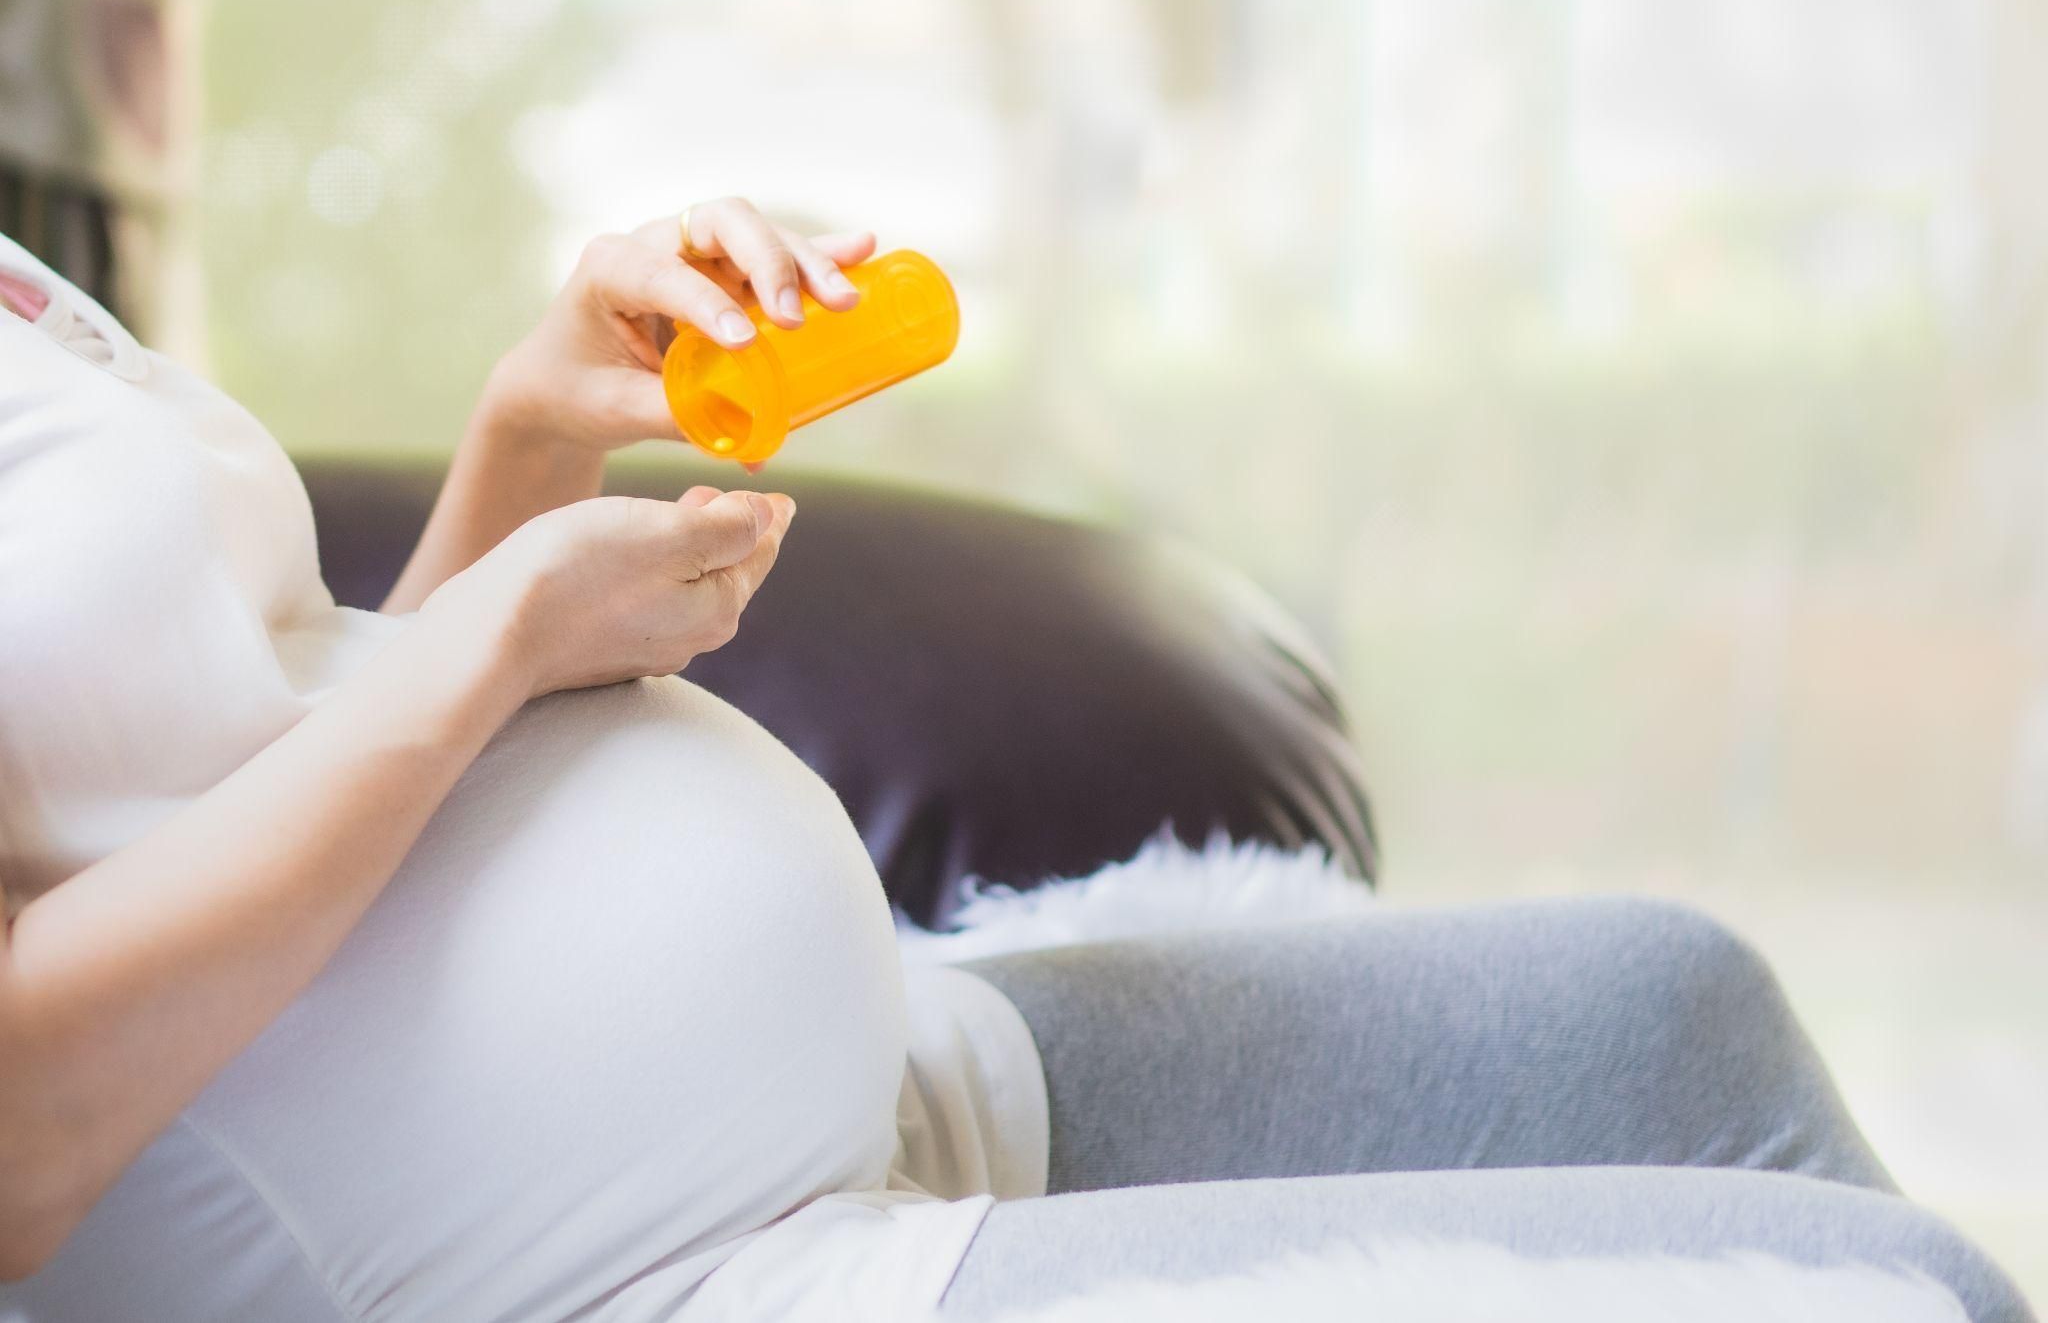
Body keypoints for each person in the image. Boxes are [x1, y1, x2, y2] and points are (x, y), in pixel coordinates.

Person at [0, 207, 2032, 1323]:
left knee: (1670, 1006)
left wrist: (535, 434)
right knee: (1888, 1301)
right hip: (596, 1268)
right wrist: (500, 646)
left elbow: (248, 739)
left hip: (839, 1084)